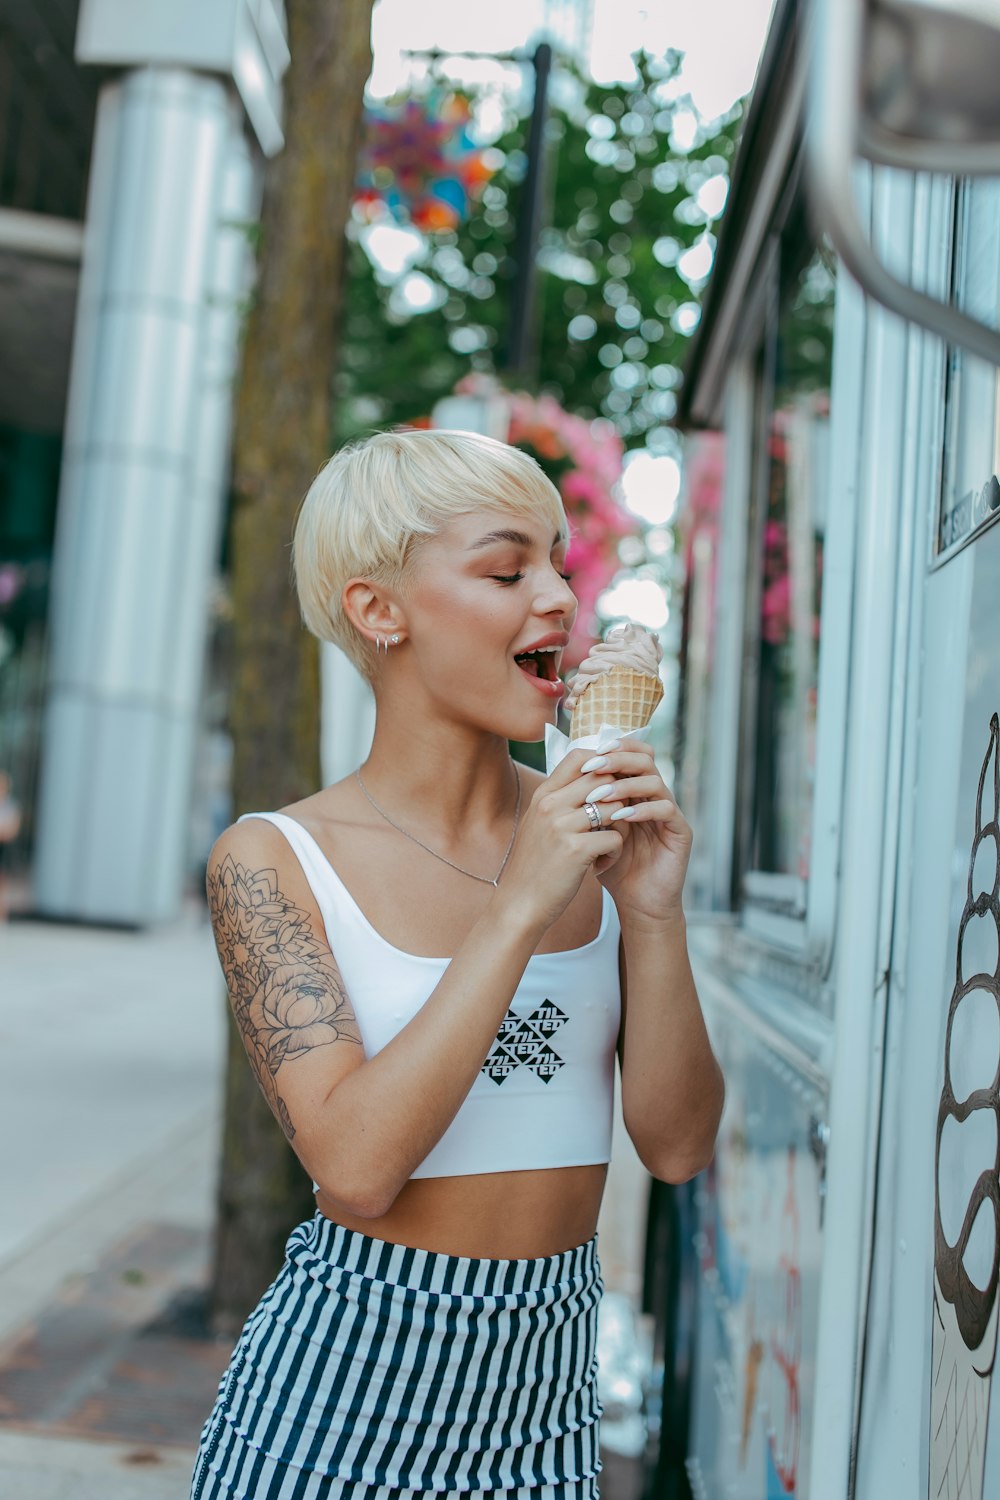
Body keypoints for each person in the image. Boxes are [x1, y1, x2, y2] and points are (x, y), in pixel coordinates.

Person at [191, 429, 724, 1500]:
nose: (561, 600)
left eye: (559, 564)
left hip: (544, 1404)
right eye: (504, 568)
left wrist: (651, 914)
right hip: (340, 1398)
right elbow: (353, 1169)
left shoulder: (591, 831)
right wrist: (518, 908)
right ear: (377, 610)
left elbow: (676, 1147)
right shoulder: (270, 860)